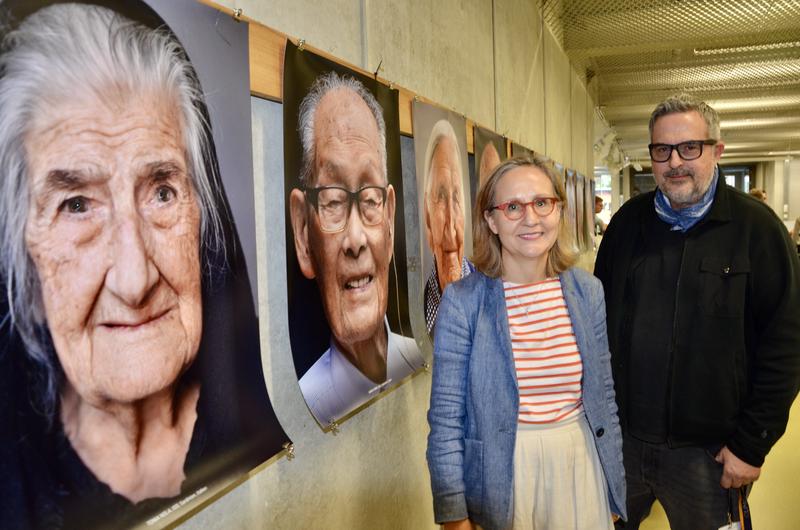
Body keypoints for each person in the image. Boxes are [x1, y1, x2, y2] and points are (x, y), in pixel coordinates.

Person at [0, 4, 283, 527]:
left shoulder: (275, 415)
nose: (135, 280)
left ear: (204, 217)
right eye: (76, 205)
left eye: (161, 192)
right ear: (24, 259)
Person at [594, 93, 800, 529]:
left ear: (716, 151)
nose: (675, 163)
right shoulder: (627, 227)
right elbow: (600, 329)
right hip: (624, 445)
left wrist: (751, 444)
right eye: (662, 151)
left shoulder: (758, 232)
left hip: (709, 457)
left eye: (690, 148)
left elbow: (786, 345)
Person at [427, 157, 626, 530]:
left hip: (579, 467)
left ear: (559, 210)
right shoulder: (464, 301)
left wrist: (612, 486)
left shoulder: (587, 292)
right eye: (513, 207)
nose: (530, 219)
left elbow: (606, 398)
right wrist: (453, 514)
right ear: (491, 220)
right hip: (502, 475)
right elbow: (446, 420)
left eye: (541, 203)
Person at [289, 72, 423, 426]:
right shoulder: (308, 403)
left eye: (369, 199)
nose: (355, 239)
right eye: (332, 200)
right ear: (304, 235)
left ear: (391, 222)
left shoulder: (413, 359)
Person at [422, 119, 475, 335]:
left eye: (456, 197)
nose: (451, 227)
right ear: (426, 215)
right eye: (441, 196)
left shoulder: (488, 293)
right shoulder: (417, 307)